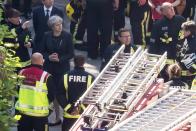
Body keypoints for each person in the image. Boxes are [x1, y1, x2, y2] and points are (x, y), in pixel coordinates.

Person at [41, 15, 74, 126]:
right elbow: (41, 50)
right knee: (52, 93)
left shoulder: (67, 36)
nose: (59, 27)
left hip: (62, 68)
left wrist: (59, 59)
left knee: (63, 93)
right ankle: (57, 117)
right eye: (57, 25)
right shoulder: (46, 35)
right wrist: (48, 57)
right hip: (49, 67)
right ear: (52, 26)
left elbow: (71, 54)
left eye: (60, 24)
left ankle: (67, 114)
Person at [15, 52, 55, 131]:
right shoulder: (46, 76)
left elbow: (18, 90)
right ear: (42, 61)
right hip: (40, 115)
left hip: (23, 113)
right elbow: (52, 96)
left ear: (31, 61)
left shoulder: (21, 73)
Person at [148, 2, 185, 81]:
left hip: (179, 55)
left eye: (172, 7)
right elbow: (153, 43)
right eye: (169, 8)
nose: (172, 9)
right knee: (166, 79)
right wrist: (152, 59)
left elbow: (186, 34)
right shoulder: (158, 24)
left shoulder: (181, 20)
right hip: (165, 57)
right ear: (163, 12)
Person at [57, 55, 94, 131]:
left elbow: (60, 95)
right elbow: (93, 96)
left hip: (68, 116)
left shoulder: (66, 76)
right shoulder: (90, 77)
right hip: (83, 115)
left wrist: (69, 109)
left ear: (74, 63)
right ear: (83, 63)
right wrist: (81, 109)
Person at [177, 21, 196, 87]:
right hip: (182, 74)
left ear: (189, 31)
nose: (182, 32)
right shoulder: (185, 39)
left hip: (192, 76)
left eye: (183, 30)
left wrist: (192, 70)